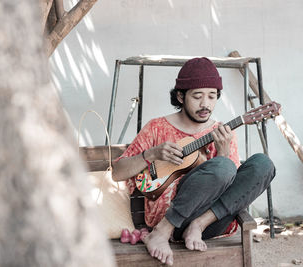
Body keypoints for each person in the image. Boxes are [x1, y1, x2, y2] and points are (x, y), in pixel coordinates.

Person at [112, 57, 276, 266]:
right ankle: (162, 232)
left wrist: (223, 152)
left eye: (212, 96)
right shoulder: (156, 128)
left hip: (210, 222)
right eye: (197, 96)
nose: (205, 104)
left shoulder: (223, 132)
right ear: (180, 96)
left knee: (263, 164)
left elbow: (232, 188)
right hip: (167, 220)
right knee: (223, 167)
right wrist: (151, 154)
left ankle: (197, 225)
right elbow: (117, 172)